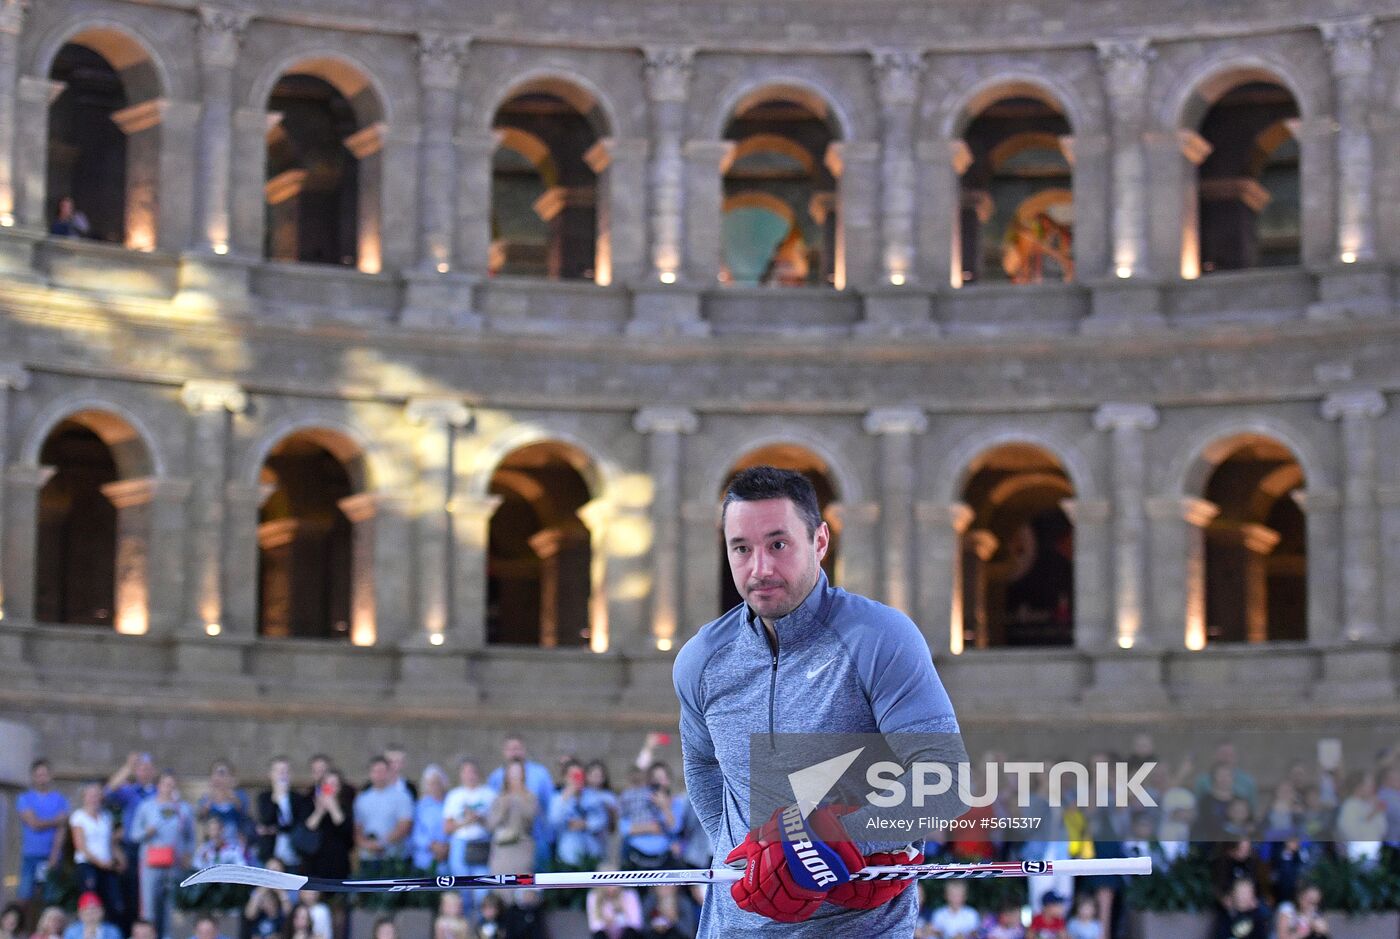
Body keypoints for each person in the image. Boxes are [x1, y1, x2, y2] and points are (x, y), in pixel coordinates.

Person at [673, 467, 965, 935]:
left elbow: (945, 779)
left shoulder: (881, 637)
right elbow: (703, 763)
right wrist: (747, 859)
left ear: (820, 541)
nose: (760, 568)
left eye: (778, 544)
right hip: (732, 926)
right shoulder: (701, 658)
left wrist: (831, 845)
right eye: (741, 548)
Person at [129, 771, 195, 939]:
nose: (169, 788)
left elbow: (190, 836)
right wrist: (147, 832)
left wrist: (188, 854)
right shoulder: (146, 806)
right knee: (149, 906)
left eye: (172, 784)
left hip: (174, 863)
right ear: (158, 785)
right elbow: (134, 835)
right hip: (150, 863)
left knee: (171, 907)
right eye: (166, 784)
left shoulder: (183, 808)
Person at [486, 738, 556, 872]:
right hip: (502, 847)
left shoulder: (540, 775)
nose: (514, 753)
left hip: (530, 842)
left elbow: (543, 810)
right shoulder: (495, 778)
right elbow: (491, 822)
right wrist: (504, 805)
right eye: (510, 749)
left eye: (517, 748)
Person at [443, 759, 494, 915]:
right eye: (466, 772)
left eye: (473, 772)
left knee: (482, 889)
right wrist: (466, 821)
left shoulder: (489, 795)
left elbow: (495, 825)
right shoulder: (454, 796)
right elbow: (447, 827)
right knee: (462, 887)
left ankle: (481, 924)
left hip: (482, 844)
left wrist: (480, 819)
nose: (470, 776)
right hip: (460, 844)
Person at [17, 760, 69, 911]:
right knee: (24, 896)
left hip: (51, 857)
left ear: (50, 776)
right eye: (38, 775)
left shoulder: (60, 800)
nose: (42, 778)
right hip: (30, 855)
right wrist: (56, 820)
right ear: (33, 776)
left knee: (50, 899)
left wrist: (55, 854)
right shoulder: (24, 798)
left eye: (44, 774)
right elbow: (33, 823)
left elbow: (62, 829)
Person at [487, 760, 539, 906]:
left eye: (518, 773)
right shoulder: (499, 798)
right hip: (502, 850)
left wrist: (518, 800)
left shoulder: (530, 797)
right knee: (500, 891)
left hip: (522, 848)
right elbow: (491, 825)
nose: (515, 777)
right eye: (512, 773)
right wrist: (503, 807)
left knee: (521, 891)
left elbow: (530, 820)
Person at [353, 756, 414, 873]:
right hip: (368, 858)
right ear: (370, 773)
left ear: (389, 772)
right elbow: (357, 828)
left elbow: (405, 826)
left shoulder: (402, 797)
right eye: (375, 771)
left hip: (395, 858)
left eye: (382, 771)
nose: (379, 775)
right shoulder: (362, 799)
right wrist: (367, 844)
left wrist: (382, 843)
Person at [254, 756, 311, 868]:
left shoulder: (298, 798)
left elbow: (300, 824)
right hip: (270, 853)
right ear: (270, 774)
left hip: (294, 854)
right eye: (278, 771)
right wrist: (275, 800)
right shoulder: (264, 797)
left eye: (285, 771)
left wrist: (276, 829)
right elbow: (266, 820)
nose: (282, 774)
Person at [301, 769, 353, 880]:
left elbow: (346, 831)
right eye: (327, 785)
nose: (331, 788)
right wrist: (320, 811)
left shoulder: (346, 806)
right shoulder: (309, 803)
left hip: (338, 863)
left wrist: (333, 808)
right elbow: (308, 828)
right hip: (314, 863)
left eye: (334, 785)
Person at [410, 765, 450, 874]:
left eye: (438, 782)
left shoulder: (451, 802)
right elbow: (416, 834)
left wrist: (447, 847)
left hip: (449, 859)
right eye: (431, 783)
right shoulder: (420, 807)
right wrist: (433, 846)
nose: (435, 787)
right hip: (425, 862)